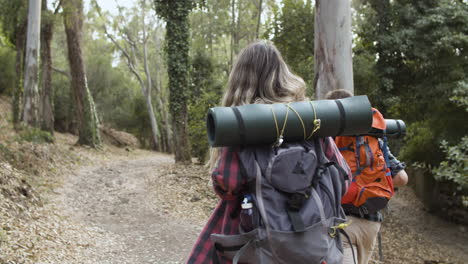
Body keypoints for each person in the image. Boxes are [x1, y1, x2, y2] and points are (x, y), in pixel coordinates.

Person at [186, 40, 352, 264]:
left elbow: (227, 184)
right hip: (314, 243)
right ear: (283, 73)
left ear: (239, 80)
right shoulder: (312, 120)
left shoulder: (240, 127)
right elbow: (343, 176)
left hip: (255, 242)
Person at [325, 89, 408, 264]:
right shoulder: (373, 139)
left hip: (341, 222)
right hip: (371, 223)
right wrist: (367, 185)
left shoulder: (327, 138)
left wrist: (352, 189)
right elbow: (402, 178)